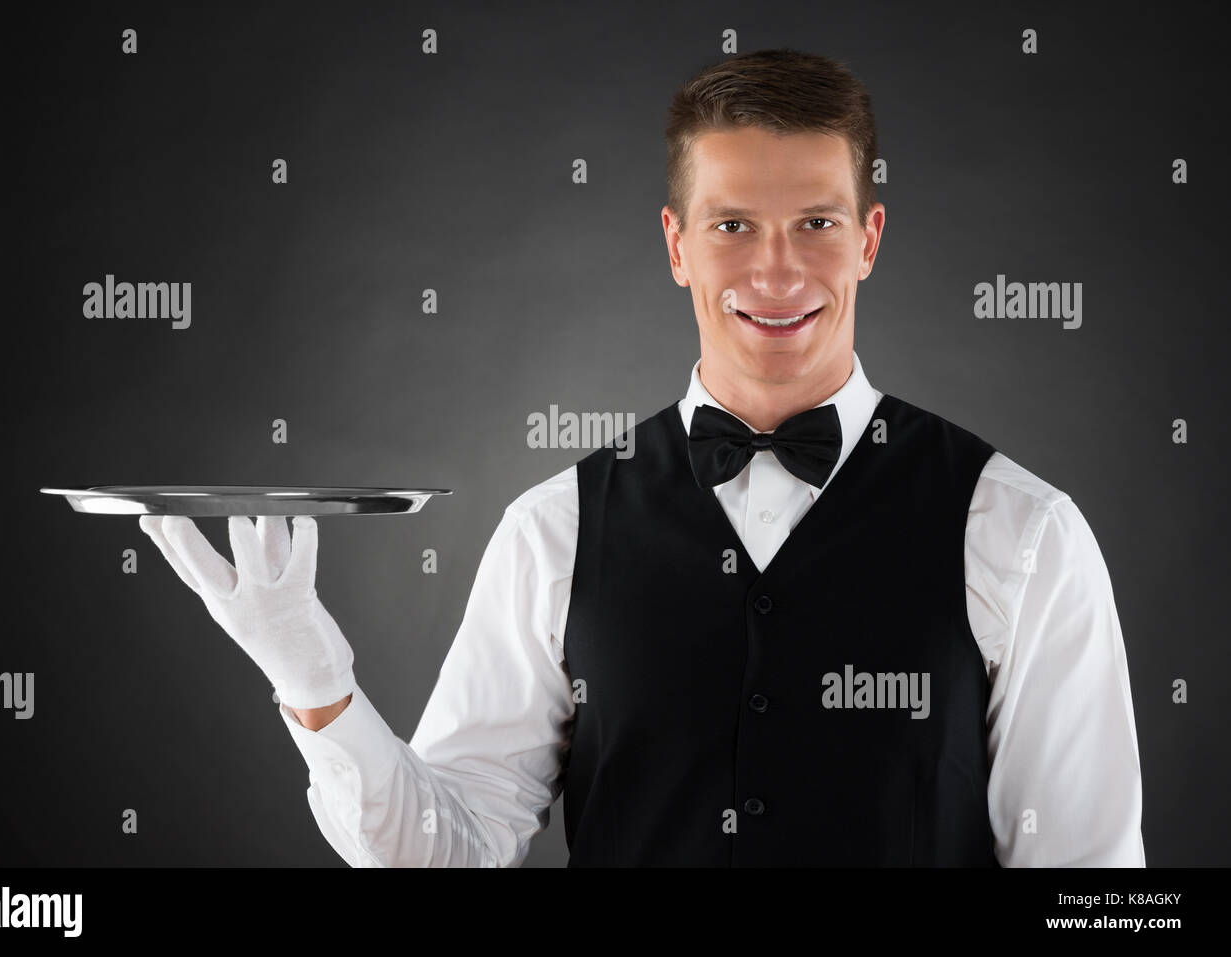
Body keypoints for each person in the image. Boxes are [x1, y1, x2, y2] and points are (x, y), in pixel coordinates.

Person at [139, 48, 1145, 867]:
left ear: (869, 238)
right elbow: (441, 854)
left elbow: (1089, 885)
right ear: (676, 245)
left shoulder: (1019, 531)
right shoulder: (554, 528)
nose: (776, 268)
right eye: (732, 225)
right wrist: (318, 690)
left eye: (816, 223)